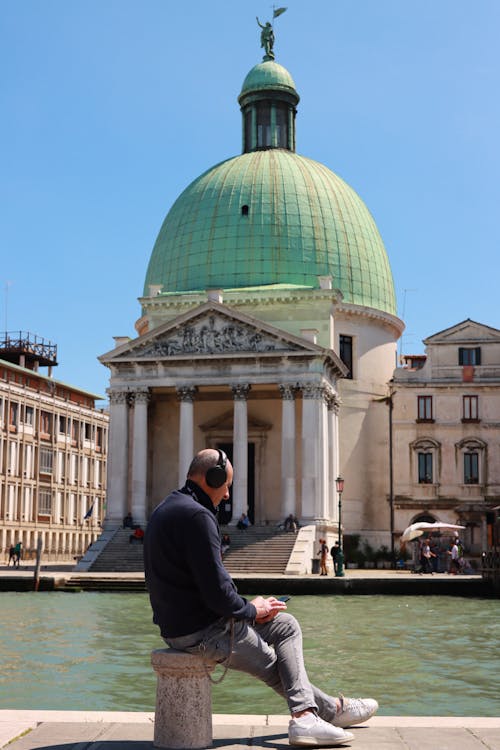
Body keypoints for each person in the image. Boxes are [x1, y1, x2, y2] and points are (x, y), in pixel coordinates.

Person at [144, 448, 378, 747]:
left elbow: (206, 587)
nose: (227, 495)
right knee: (275, 663)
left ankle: (331, 710)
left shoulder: (166, 508)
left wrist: (251, 608)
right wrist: (251, 610)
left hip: (182, 625)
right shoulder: (198, 516)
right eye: (226, 485)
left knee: (285, 624)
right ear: (212, 479)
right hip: (204, 631)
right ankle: (309, 716)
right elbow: (217, 595)